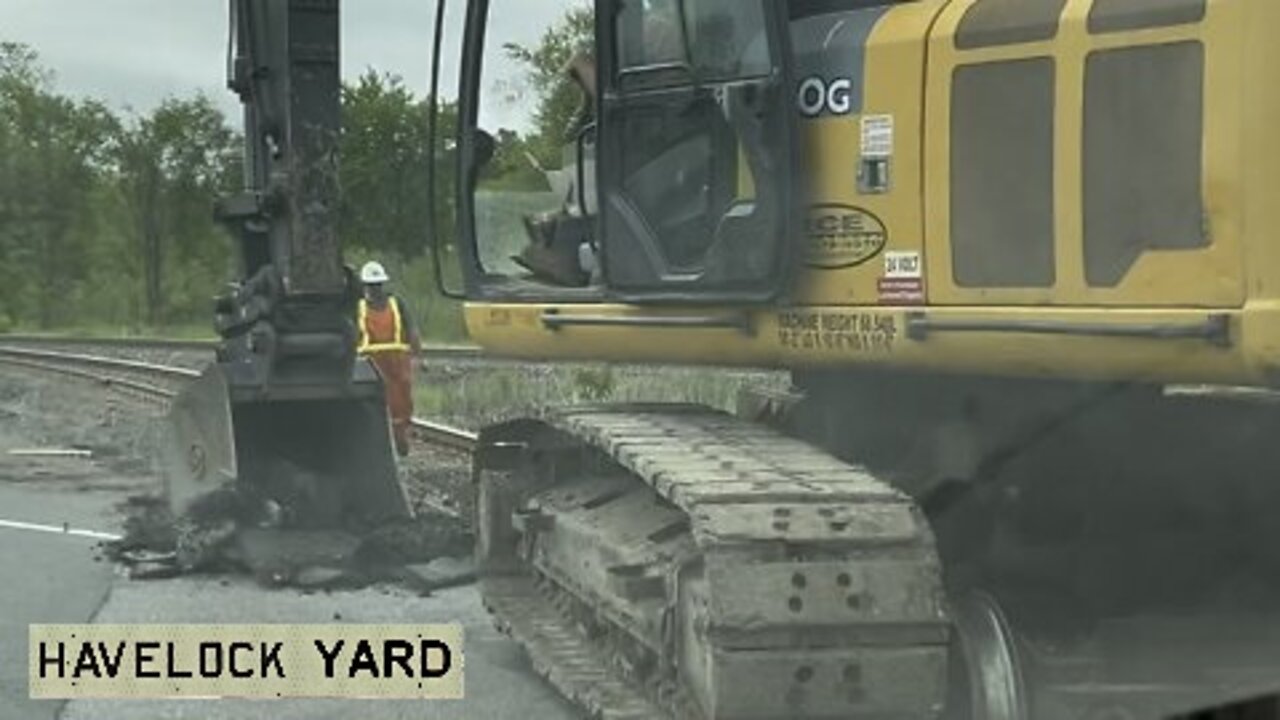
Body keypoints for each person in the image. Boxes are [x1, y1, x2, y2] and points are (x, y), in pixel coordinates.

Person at [355, 261, 421, 457]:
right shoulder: (358, 307)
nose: (374, 290)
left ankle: (401, 437)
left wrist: (417, 354)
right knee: (376, 401)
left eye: (377, 285)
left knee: (402, 400)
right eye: (371, 286)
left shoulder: (396, 303)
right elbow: (352, 335)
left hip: (397, 361)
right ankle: (379, 440)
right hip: (370, 362)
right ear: (365, 286)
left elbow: (411, 329)